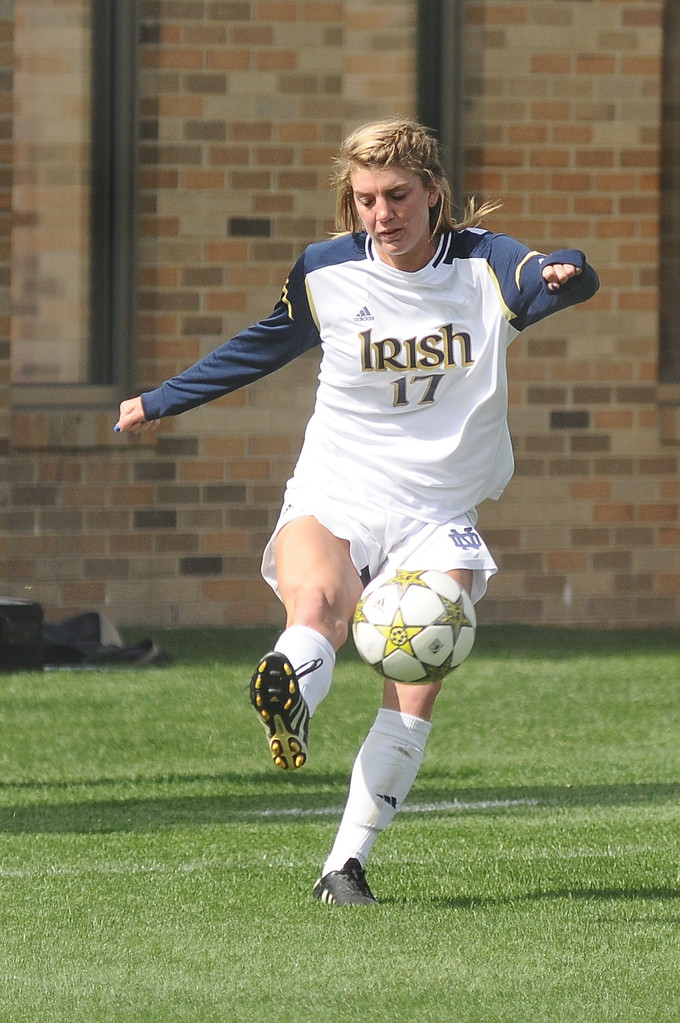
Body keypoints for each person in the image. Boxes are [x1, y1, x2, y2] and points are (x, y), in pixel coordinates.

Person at [116, 117, 599, 905]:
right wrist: (161, 401)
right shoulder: (325, 272)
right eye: (367, 198)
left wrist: (567, 270)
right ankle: (289, 696)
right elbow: (261, 344)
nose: (383, 213)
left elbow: (562, 277)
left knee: (418, 671)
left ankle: (343, 865)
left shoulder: (484, 262)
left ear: (433, 194)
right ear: (352, 201)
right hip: (338, 486)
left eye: (399, 195)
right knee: (318, 603)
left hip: (440, 507)